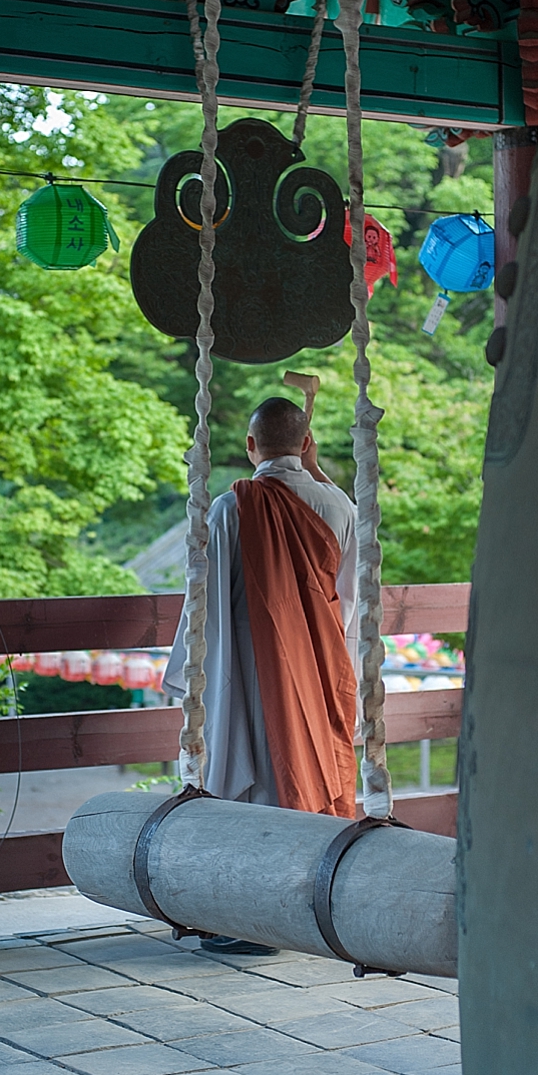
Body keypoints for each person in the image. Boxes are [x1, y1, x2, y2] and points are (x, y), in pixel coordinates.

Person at [162, 395, 359, 955]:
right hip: (320, 660)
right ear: (306, 444)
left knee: (256, 778)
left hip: (250, 667)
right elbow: (351, 599)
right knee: (307, 773)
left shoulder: (232, 506)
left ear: (250, 447)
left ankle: (253, 919)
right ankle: (309, 904)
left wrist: (196, 673)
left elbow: (207, 601)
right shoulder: (339, 507)